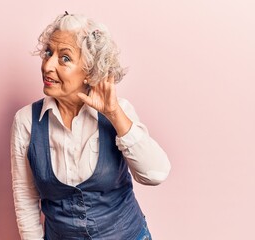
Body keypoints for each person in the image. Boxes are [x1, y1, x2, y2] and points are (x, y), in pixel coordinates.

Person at [11, 12, 171, 240]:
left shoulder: (118, 110)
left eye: (64, 58)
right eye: (48, 53)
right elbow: (25, 199)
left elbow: (156, 174)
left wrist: (114, 114)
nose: (48, 65)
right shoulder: (26, 121)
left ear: (89, 71)